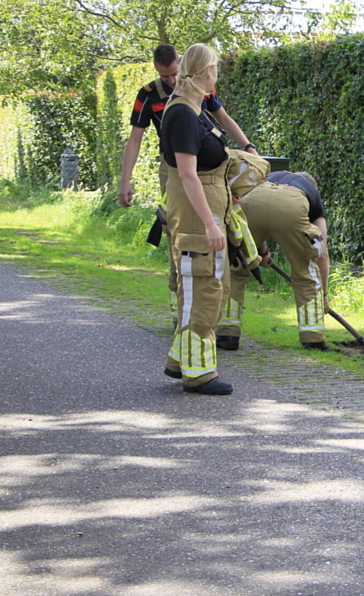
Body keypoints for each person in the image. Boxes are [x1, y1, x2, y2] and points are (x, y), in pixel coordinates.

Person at [118, 43, 258, 320]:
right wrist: (126, 180)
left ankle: (213, 315)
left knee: (218, 234)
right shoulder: (151, 96)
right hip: (178, 168)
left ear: (182, 65)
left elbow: (223, 118)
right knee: (182, 237)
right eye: (164, 76)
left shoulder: (203, 90)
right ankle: (182, 312)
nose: (170, 81)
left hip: (210, 172)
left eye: (174, 74)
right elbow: (135, 139)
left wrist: (248, 146)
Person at [160, 43, 239, 395]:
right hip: (195, 215)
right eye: (216, 70)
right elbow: (188, 175)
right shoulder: (183, 114)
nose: (216, 76)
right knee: (203, 289)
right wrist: (209, 224)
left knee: (208, 287)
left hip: (205, 208)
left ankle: (181, 360)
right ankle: (199, 374)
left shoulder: (195, 108)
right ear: (207, 72)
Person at [216, 171, 330, 350]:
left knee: (236, 271)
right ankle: (313, 338)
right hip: (291, 207)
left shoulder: (271, 176)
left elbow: (261, 222)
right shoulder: (312, 195)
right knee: (306, 273)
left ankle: (227, 334)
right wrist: (324, 295)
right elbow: (321, 255)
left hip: (252, 202)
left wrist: (263, 253)